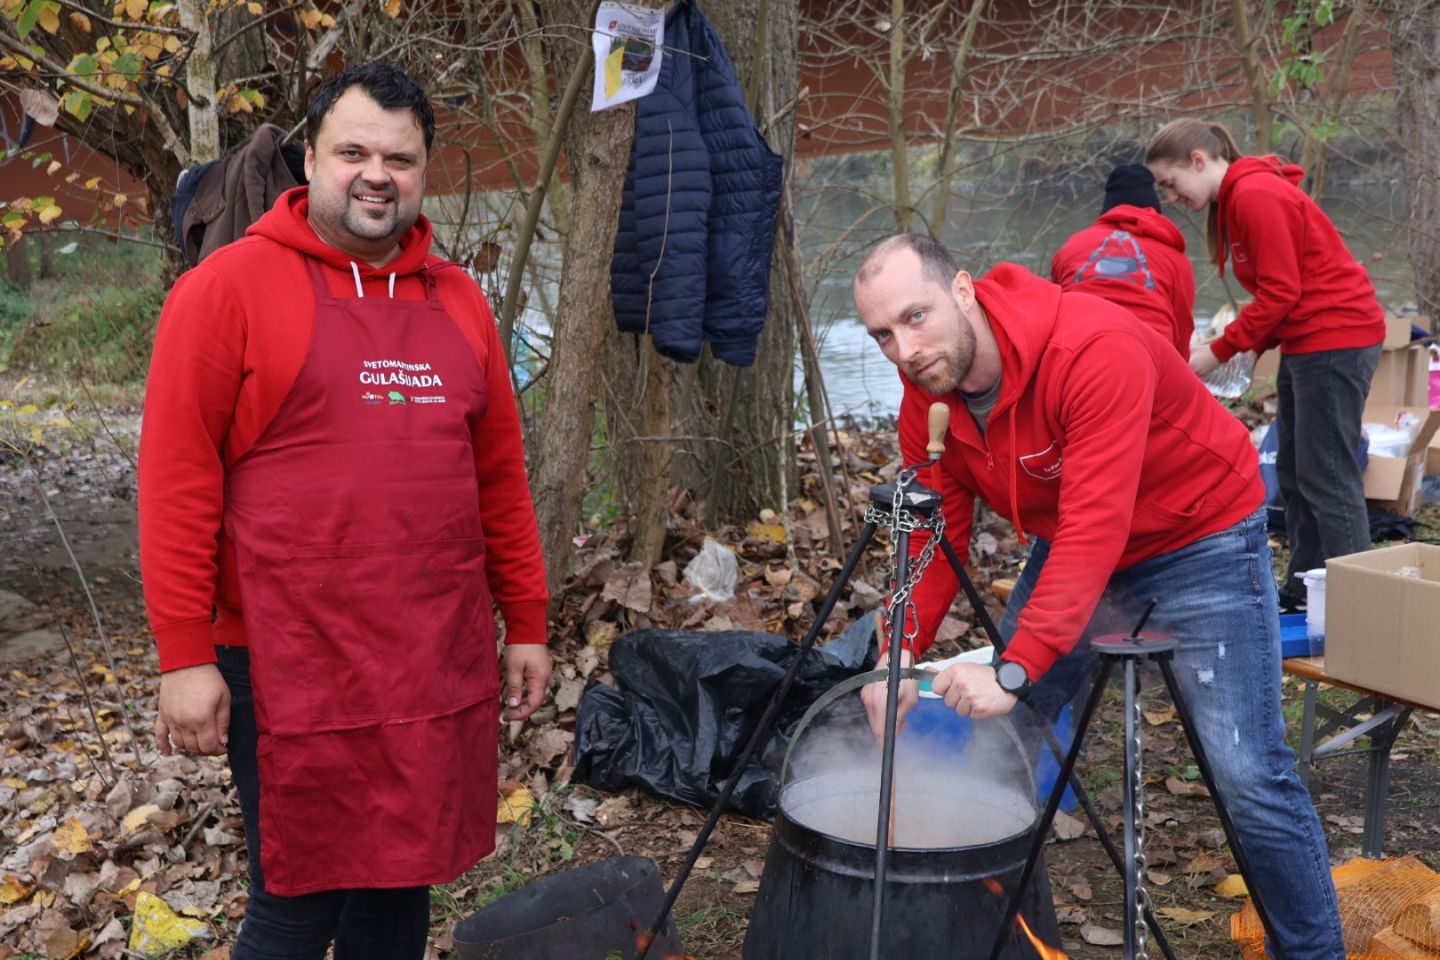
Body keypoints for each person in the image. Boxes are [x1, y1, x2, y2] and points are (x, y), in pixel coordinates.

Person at [138, 62, 551, 959]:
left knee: (402, 885)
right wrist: (185, 656)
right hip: (286, 659)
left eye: (400, 159)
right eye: (353, 152)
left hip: (430, 655)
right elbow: (175, 484)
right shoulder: (226, 289)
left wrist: (526, 620)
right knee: (298, 902)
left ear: (424, 171)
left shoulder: (459, 301)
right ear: (312, 159)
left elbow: (499, 481)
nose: (377, 175)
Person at [851, 233, 1343, 959]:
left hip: (1199, 533)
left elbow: (1094, 525)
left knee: (1247, 776)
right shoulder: (928, 392)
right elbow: (936, 529)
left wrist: (1012, 670)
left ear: (962, 289)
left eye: (914, 317)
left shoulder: (1091, 348)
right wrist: (898, 650)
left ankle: (1313, 954)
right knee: (998, 740)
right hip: (1076, 541)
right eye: (882, 335)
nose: (904, 349)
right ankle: (974, 931)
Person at [1145, 118, 1384, 610]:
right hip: (1306, 340)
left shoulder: (1255, 195)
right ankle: (1304, 590)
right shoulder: (1236, 199)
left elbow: (1282, 291)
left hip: (1336, 338)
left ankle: (1363, 606)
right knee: (1294, 471)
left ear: (1198, 160)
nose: (1170, 197)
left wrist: (1219, 350)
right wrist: (1254, 347)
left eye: (1170, 183)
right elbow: (1291, 287)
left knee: (1328, 475)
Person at [1049, 163, 1196, 356]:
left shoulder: (1070, 249)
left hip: (1076, 352)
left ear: (1106, 209)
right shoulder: (1176, 259)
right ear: (1154, 209)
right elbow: (1181, 337)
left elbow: (1053, 315)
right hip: (1148, 356)